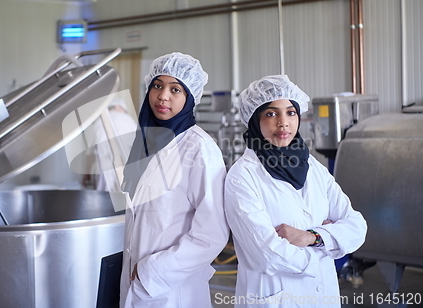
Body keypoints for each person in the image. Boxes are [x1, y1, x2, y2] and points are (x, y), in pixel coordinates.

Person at [224, 75, 367, 307]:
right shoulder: (242, 177)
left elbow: (357, 227)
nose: (283, 123)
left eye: (291, 112)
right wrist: (328, 246)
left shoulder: (313, 167)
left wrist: (311, 237)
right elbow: (267, 254)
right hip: (277, 298)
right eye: (271, 114)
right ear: (254, 120)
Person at [120, 52, 229, 307]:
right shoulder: (145, 143)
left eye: (175, 89)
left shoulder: (198, 148)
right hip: (136, 284)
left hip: (172, 289)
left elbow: (212, 233)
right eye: (157, 85)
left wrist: (152, 270)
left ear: (190, 97)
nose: (163, 95)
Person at [81, 98, 136, 191]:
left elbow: (90, 155)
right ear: (119, 107)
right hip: (127, 168)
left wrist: (86, 175)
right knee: (126, 201)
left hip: (104, 169)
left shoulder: (98, 122)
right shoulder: (129, 120)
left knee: (104, 201)